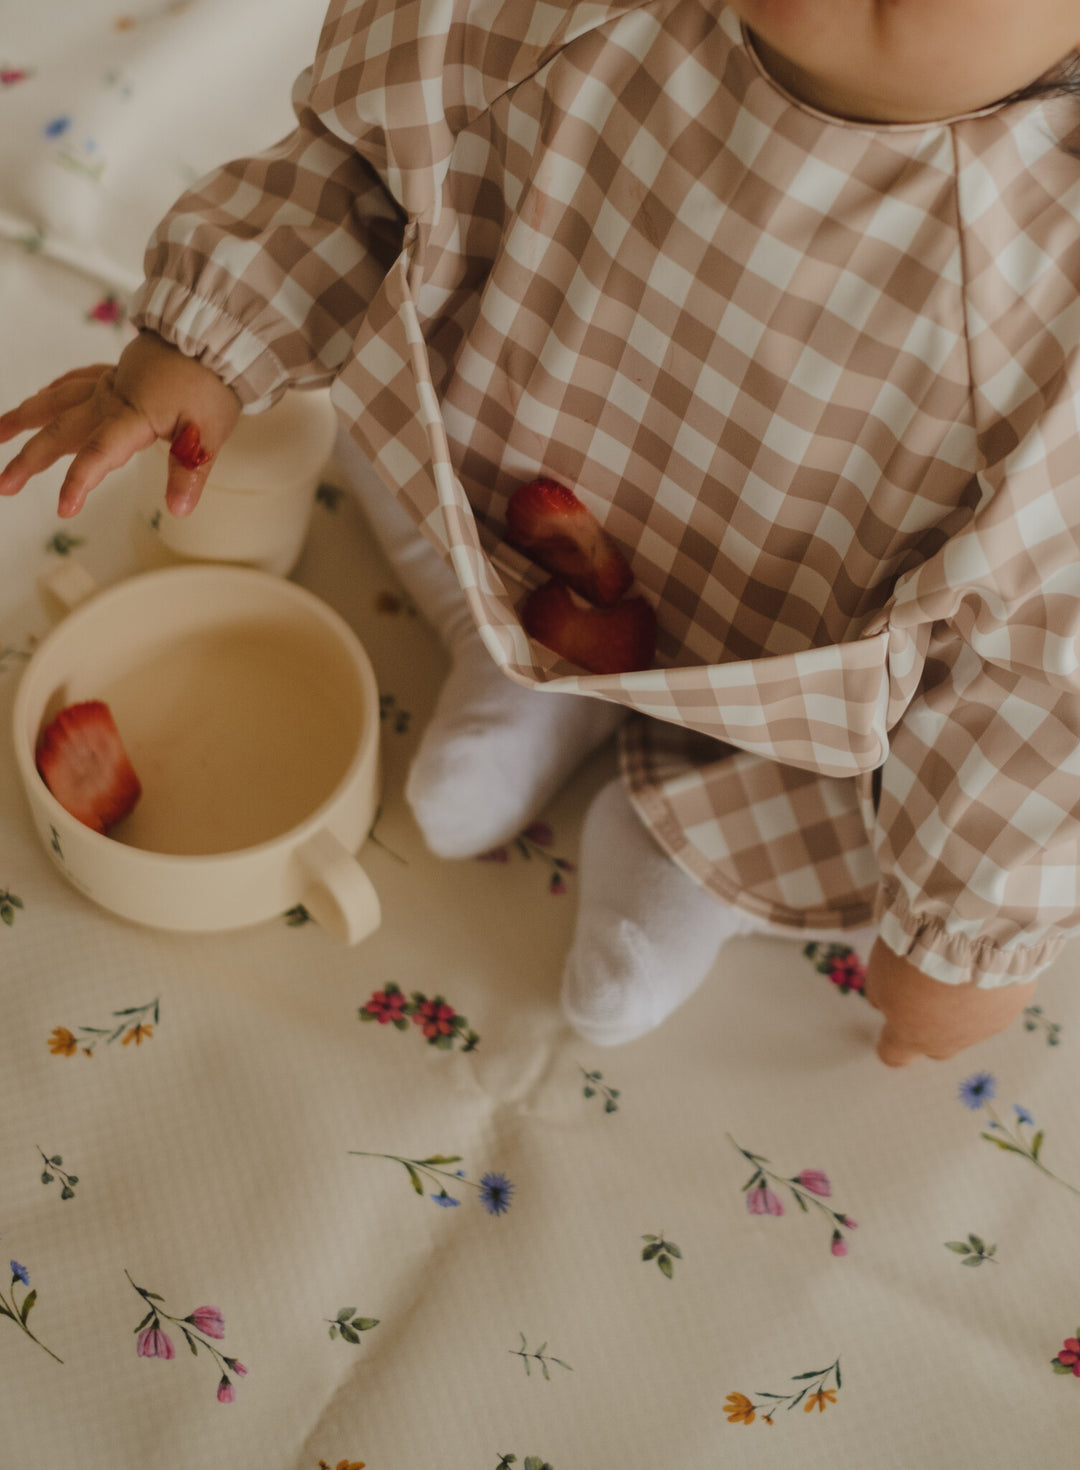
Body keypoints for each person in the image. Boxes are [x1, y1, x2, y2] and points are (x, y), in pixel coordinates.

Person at [3, 0, 1078, 1064]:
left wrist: (966, 940)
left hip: (796, 675)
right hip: (519, 498)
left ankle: (689, 846)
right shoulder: (567, 20)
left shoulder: (1049, 295)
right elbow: (367, 174)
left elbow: (1033, 668)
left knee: (895, 771)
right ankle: (518, 655)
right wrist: (206, 339)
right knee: (385, 441)